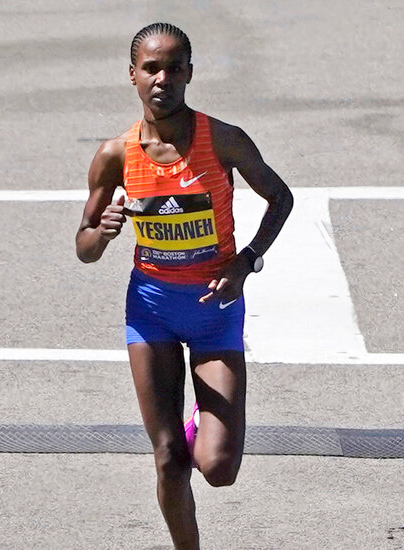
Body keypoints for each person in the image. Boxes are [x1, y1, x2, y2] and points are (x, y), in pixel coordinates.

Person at [75, 22, 294, 550]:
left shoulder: (222, 139)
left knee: (217, 468)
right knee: (169, 459)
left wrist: (246, 261)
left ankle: (199, 422)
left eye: (175, 68)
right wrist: (102, 233)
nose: (163, 79)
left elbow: (280, 197)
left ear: (190, 74)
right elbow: (83, 246)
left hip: (214, 310)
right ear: (132, 75)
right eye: (151, 68)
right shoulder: (115, 154)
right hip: (150, 310)